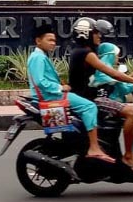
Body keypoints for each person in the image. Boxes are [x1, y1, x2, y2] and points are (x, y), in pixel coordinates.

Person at [68, 17, 133, 175]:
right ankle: (128, 156)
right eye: (95, 33)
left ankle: (132, 154)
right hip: (92, 99)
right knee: (132, 113)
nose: (99, 36)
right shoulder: (87, 53)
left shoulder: (80, 52)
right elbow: (113, 74)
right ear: (85, 34)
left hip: (88, 97)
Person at [27, 23, 114, 163]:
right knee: (89, 106)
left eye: (54, 41)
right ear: (38, 41)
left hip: (49, 94)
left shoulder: (39, 56)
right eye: (49, 40)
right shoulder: (38, 57)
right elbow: (40, 81)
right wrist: (60, 88)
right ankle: (94, 148)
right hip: (51, 96)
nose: (53, 43)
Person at [91, 41, 133, 168]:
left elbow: (120, 83)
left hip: (110, 104)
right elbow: (125, 88)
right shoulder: (104, 70)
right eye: (116, 55)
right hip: (108, 105)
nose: (117, 58)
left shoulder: (102, 68)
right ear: (109, 55)